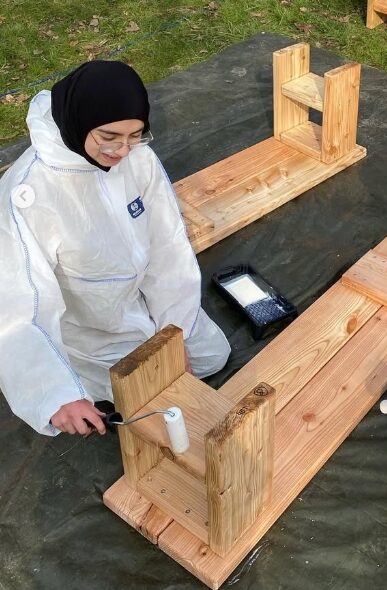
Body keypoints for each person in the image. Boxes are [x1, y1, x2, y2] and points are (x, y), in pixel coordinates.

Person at [0, 61, 231, 437]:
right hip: (89, 329)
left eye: (136, 135)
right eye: (109, 137)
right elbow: (17, 304)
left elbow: (168, 249)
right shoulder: (30, 193)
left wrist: (174, 334)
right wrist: (55, 394)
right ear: (79, 122)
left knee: (211, 356)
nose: (123, 150)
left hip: (136, 305)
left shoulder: (137, 159)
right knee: (147, 401)